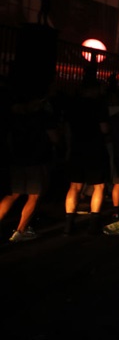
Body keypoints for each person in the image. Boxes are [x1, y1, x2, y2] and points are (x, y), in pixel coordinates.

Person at [0, 93, 60, 242]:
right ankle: (21, 230)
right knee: (34, 196)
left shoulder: (15, 117)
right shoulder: (43, 116)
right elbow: (55, 138)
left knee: (12, 194)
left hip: (17, 160)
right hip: (37, 160)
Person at [63, 77, 111, 236]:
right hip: (95, 149)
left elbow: (67, 128)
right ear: (95, 90)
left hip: (77, 148)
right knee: (99, 186)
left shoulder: (72, 105)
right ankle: (93, 223)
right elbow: (104, 129)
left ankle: (68, 224)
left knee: (74, 186)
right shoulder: (99, 105)